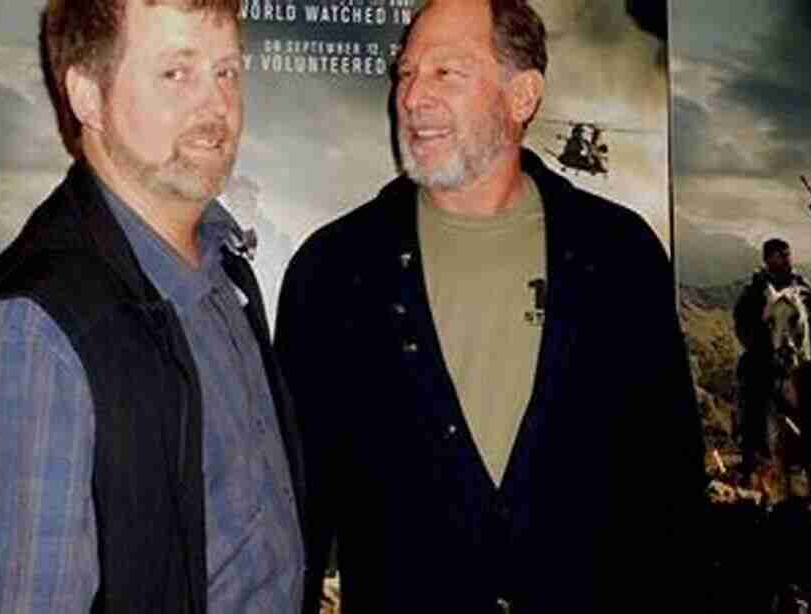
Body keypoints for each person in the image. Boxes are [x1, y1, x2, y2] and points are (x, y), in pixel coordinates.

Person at [275, 1, 707, 611]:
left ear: (522, 95)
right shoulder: (332, 272)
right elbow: (299, 514)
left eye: (446, 73)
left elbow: (671, 501)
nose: (412, 97)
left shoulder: (619, 258)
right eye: (405, 74)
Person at [0, 1, 307, 612]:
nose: (216, 108)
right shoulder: (28, 338)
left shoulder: (221, 271)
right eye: (176, 73)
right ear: (87, 96)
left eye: (227, 72)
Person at [733, 238, 811, 477]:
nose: (786, 260)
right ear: (768, 259)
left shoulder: (801, 285)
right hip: (765, 357)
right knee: (748, 377)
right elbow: (741, 321)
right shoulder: (755, 289)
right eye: (780, 256)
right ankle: (750, 445)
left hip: (799, 355)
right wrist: (760, 347)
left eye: (787, 255)